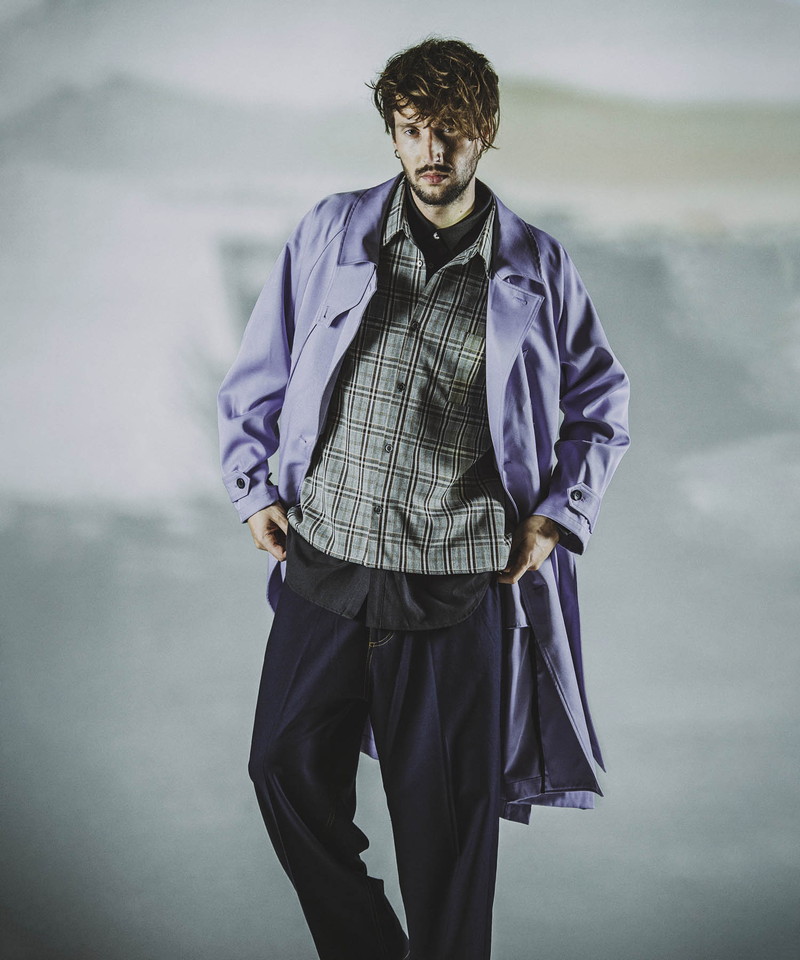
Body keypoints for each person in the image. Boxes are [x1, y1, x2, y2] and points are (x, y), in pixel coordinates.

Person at [217, 36, 630, 960]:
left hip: (453, 583)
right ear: (394, 133)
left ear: (485, 132)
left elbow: (603, 403)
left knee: (447, 834)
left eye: (450, 131)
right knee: (282, 767)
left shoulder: (537, 266)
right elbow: (259, 367)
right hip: (329, 556)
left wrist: (556, 516)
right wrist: (252, 487)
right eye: (412, 130)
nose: (431, 151)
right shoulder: (332, 231)